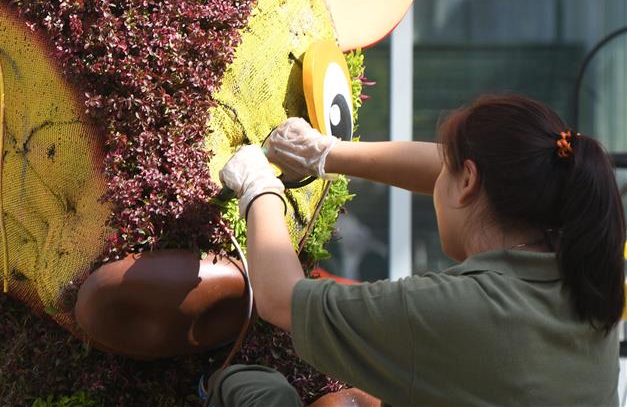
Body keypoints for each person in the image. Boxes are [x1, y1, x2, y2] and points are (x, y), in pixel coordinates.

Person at [211, 94, 625, 406]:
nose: (436, 175)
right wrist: (327, 153)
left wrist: (259, 188)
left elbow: (280, 299)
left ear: (468, 182)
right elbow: (455, 170)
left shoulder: (467, 310)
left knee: (251, 387)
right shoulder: (584, 283)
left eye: (448, 169)